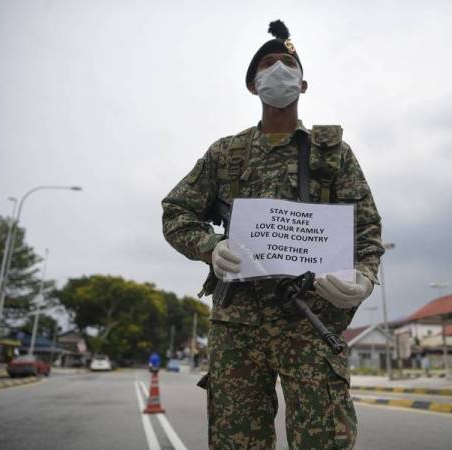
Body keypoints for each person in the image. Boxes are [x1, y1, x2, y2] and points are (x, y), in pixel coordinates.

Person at [162, 20, 384, 450]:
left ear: (303, 84)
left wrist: (364, 276)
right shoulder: (226, 154)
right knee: (235, 441)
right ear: (253, 84)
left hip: (312, 318)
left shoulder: (332, 154)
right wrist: (211, 247)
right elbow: (176, 212)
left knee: (323, 440)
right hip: (238, 322)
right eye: (268, 64)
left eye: (288, 64)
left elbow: (367, 228)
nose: (279, 70)